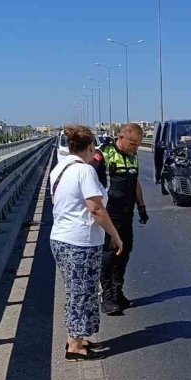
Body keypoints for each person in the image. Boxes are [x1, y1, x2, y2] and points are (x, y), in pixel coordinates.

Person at [49, 125, 124, 361]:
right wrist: (114, 234)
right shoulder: (85, 171)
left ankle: (77, 338)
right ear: (90, 147)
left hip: (61, 238)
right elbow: (95, 208)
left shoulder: (59, 168)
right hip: (80, 241)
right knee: (82, 292)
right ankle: (74, 346)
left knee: (75, 291)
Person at [95, 123, 148, 315]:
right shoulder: (104, 155)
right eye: (132, 143)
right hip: (110, 213)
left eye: (137, 145)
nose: (134, 147)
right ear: (121, 137)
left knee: (125, 252)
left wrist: (141, 207)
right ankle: (106, 295)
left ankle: (118, 291)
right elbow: (92, 186)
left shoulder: (133, 157)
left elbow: (135, 183)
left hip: (127, 213)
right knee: (110, 253)